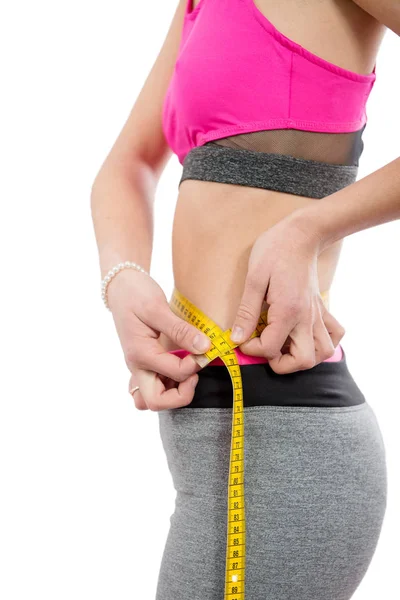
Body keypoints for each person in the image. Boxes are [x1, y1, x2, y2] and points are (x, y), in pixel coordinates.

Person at [91, 1, 399, 598]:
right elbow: (125, 166)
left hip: (286, 447)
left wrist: (308, 227)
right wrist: (122, 278)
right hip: (215, 439)